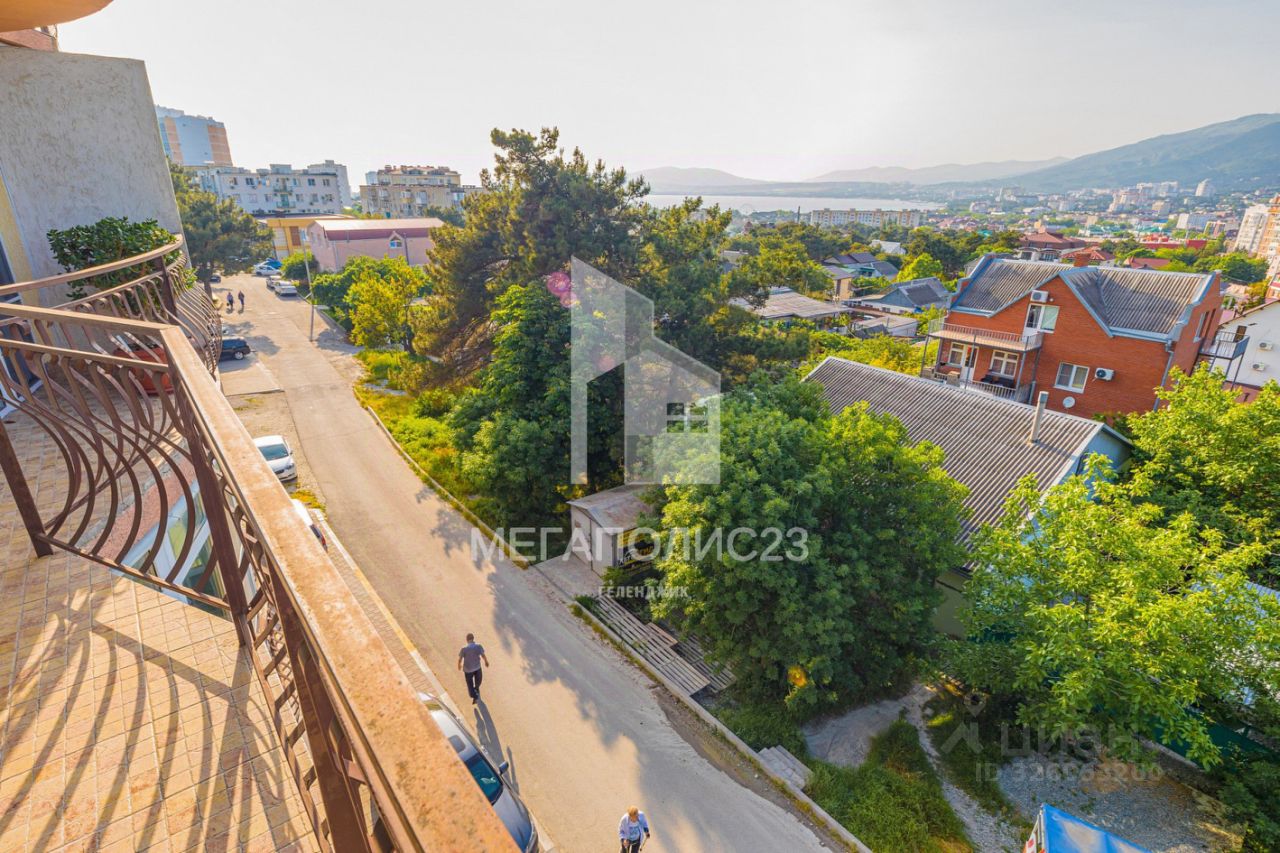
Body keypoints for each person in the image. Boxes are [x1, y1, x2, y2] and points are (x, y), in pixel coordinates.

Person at [457, 633, 489, 704]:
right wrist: (486, 661)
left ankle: (475, 695)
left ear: (467, 640)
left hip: (468, 670)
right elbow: (483, 655)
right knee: (478, 681)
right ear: (473, 638)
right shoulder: (478, 646)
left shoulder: (464, 649)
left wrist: (459, 665)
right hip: (477, 667)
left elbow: (460, 659)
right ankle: (476, 689)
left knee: (470, 684)